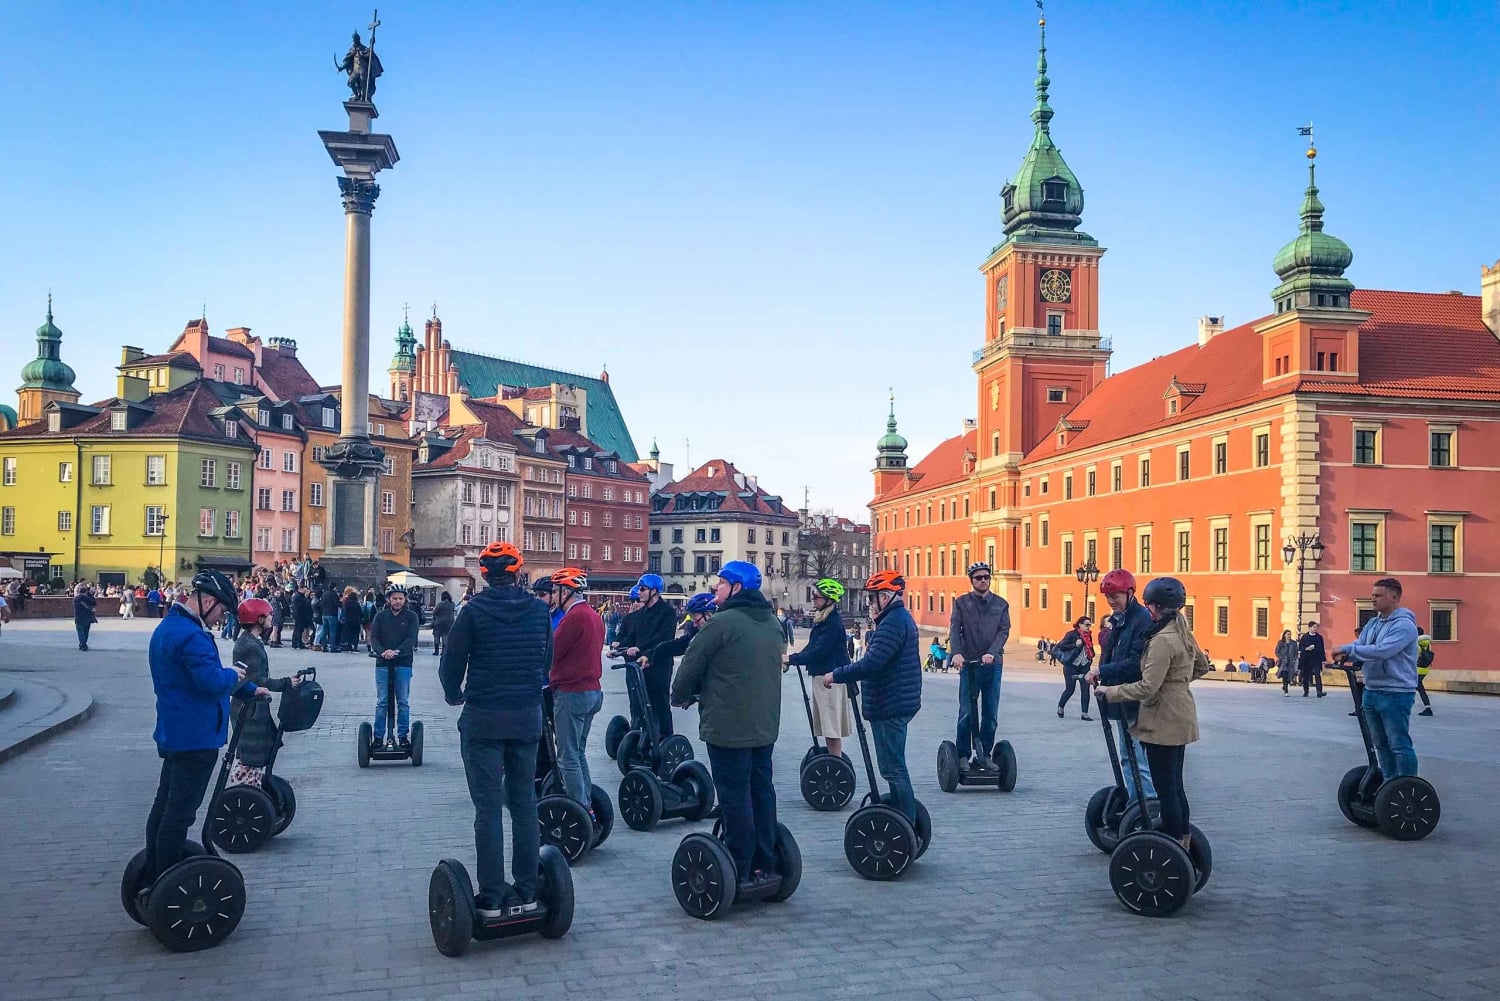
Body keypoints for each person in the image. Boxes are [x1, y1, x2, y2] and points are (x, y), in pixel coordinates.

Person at [439, 541, 551, 919]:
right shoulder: (539, 610)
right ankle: (528, 890)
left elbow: (451, 661)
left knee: (488, 809)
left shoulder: (472, 612)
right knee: (523, 804)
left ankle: (491, 896)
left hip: (484, 718)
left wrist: (453, 693)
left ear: (484, 575)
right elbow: (545, 663)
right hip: (525, 719)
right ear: (518, 573)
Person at [138, 570, 266, 899]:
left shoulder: (172, 627)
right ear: (207, 601)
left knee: (164, 806)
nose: (223, 616)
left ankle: (155, 871)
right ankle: (165, 883)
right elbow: (210, 682)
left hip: (177, 732)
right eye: (222, 609)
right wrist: (233, 675)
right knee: (179, 815)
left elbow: (199, 675)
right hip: (195, 737)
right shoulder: (191, 635)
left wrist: (249, 688)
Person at [672, 561, 784, 891]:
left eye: (720, 583)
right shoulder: (773, 623)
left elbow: (692, 664)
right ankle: (767, 861)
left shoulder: (721, 624)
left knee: (735, 796)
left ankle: (740, 864)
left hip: (728, 727)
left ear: (736, 588)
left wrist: (679, 694)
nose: (715, 588)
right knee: (761, 791)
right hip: (764, 726)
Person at [1094, 576, 1209, 852]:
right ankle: (1183, 840)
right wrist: (1177, 683)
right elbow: (1202, 666)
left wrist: (1111, 692)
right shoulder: (1183, 632)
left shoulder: (1162, 640)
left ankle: (1171, 845)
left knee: (1166, 789)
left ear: (1155, 607)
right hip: (1181, 716)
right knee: (1176, 786)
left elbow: (1147, 687)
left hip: (1162, 721)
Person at [826, 570, 921, 823]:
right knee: (891, 766)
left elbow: (872, 663)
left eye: (872, 598)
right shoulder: (895, 619)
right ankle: (904, 817)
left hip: (891, 704)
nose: (869, 604)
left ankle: (907, 822)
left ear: (887, 596)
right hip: (892, 702)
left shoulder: (893, 623)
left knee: (893, 767)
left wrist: (837, 675)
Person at [1335, 578, 1420, 778]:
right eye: (1373, 595)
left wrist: (1347, 650)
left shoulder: (1405, 625)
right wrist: (1346, 653)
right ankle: (1389, 784)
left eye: (1378, 595)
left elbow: (1383, 650)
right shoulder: (1373, 623)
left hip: (1395, 692)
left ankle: (1407, 786)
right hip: (1371, 690)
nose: (1373, 599)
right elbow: (1361, 645)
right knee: (1380, 745)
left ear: (1394, 596)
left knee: (1399, 743)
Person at [1088, 569, 1156, 802]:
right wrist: (1100, 673)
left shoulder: (1141, 619)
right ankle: (1135, 800)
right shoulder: (1120, 620)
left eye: (1115, 596)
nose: (1110, 601)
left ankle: (1145, 803)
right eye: (1107, 596)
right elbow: (1111, 652)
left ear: (1129, 592)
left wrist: (1102, 670)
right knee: (1128, 754)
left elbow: (1136, 663)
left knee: (1134, 756)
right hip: (1119, 695)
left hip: (1133, 699)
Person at [227, 598, 302, 790]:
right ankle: (241, 794)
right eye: (268, 615)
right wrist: (286, 683)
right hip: (250, 710)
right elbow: (256, 680)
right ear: (258, 619)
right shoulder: (250, 645)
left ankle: (250, 793)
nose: (271, 617)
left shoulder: (249, 641)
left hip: (251, 708)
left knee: (254, 756)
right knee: (251, 758)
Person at [547, 567, 604, 811]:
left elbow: (552, 651)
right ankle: (588, 803)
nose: (552, 597)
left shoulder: (574, 618)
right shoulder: (593, 615)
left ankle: (579, 810)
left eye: (554, 591)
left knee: (567, 756)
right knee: (578, 753)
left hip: (572, 692)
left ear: (566, 591)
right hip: (592, 690)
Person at [946, 562, 1010, 772]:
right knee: (966, 712)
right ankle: (963, 755)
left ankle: (986, 754)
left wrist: (992, 652)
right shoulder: (962, 603)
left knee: (990, 713)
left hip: (992, 665)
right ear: (971, 580)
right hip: (969, 665)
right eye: (978, 577)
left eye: (986, 577)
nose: (983, 580)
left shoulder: (1001, 604)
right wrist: (956, 653)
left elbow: (1003, 631)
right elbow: (955, 629)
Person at [786, 579, 853, 760]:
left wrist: (792, 659)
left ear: (829, 599)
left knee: (831, 728)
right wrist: (791, 658)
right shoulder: (825, 620)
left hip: (830, 680)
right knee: (827, 728)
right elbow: (811, 647)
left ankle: (836, 763)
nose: (813, 599)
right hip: (824, 679)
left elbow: (819, 652)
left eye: (816, 596)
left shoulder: (832, 623)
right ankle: (834, 760)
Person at [616, 573, 677, 738]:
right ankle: (645, 737)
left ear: (655, 591)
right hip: (641, 664)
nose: (639, 592)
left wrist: (639, 648)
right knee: (641, 703)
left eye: (643, 589)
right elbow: (633, 634)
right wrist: (618, 647)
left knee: (660, 702)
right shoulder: (642, 612)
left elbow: (664, 638)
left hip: (659, 664)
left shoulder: (668, 612)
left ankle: (665, 737)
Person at [368, 585, 421, 751]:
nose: (397, 601)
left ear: (405, 599)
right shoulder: (380, 616)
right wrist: (383, 651)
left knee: (403, 701)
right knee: (382, 701)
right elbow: (374, 637)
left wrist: (397, 651)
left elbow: (412, 638)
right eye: (394, 598)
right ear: (388, 599)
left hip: (403, 663)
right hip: (383, 663)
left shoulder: (411, 617)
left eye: (400, 598)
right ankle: (378, 737)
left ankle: (403, 736)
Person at [1053, 616, 1095, 720]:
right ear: (1080, 624)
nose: (1088, 627)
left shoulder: (1089, 636)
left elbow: (1090, 648)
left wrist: (1090, 658)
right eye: (1086, 624)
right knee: (1070, 689)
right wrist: (1074, 644)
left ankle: (1084, 713)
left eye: (1090, 624)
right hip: (1071, 666)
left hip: (1085, 665)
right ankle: (1061, 706)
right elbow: (1062, 646)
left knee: (1085, 689)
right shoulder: (1072, 634)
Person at [1297, 621, 1327, 697]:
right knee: (1306, 676)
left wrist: (1323, 660)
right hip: (1306, 659)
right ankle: (1306, 691)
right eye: (1314, 627)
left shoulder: (1319, 637)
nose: (1316, 629)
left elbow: (1322, 648)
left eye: (1316, 627)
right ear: (1309, 628)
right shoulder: (1305, 637)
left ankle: (1319, 691)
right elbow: (1301, 647)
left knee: (1317, 675)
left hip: (1316, 659)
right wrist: (1307, 648)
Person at [1415, 627, 1435, 717]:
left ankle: (1428, 708)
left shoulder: (1417, 645)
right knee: (1419, 687)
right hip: (1425, 669)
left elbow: (1414, 658)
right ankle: (1427, 708)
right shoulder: (1427, 644)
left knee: (1414, 687)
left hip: (1417, 669)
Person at [430, 591, 456, 657]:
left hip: (439, 622)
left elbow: (435, 612)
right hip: (449, 622)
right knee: (445, 636)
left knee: (437, 636)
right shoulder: (452, 604)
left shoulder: (440, 604)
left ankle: (436, 651)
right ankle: (443, 651)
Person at [73, 583, 97, 650]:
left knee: (80, 632)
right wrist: (90, 595)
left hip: (78, 617)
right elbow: (94, 603)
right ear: (86, 592)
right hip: (87, 617)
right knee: (86, 632)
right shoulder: (87, 598)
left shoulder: (76, 599)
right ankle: (84, 644)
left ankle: (82, 644)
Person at [1275, 629, 1298, 695]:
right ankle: (1286, 691)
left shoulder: (1294, 643)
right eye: (1288, 634)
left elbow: (1296, 653)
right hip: (1283, 662)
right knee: (1284, 675)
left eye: (1290, 634)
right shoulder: (1280, 642)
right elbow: (1277, 652)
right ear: (1284, 635)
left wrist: (1294, 659)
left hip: (1291, 662)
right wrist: (1281, 657)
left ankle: (1285, 686)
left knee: (1289, 676)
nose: (1289, 635)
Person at [291, 585, 313, 650]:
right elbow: (301, 606)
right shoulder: (298, 596)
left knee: (298, 629)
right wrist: (305, 599)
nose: (305, 592)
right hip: (299, 615)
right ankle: (298, 643)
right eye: (305, 590)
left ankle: (295, 643)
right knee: (299, 630)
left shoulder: (299, 596)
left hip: (299, 615)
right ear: (301, 589)